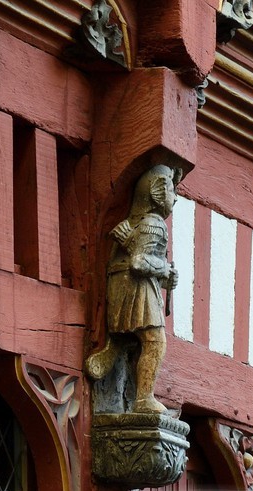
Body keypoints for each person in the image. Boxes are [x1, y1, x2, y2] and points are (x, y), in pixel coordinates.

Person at [86, 165, 180, 414]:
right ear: (156, 192)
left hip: (127, 286)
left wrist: (166, 278)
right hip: (136, 289)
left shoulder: (140, 222)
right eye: (172, 190)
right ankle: (144, 398)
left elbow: (140, 258)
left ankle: (114, 352)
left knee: (138, 340)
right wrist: (164, 269)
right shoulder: (155, 223)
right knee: (155, 342)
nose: (175, 197)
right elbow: (139, 262)